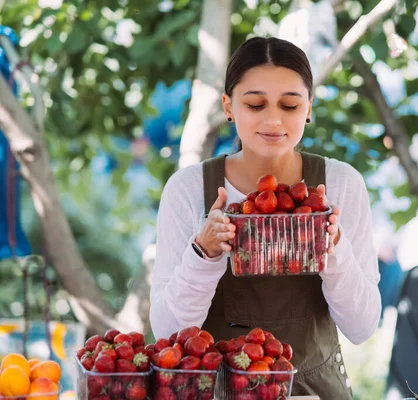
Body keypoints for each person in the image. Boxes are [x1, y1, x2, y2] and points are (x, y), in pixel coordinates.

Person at [149, 36, 381, 398]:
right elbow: (167, 333)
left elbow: (363, 327)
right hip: (218, 391)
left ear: (309, 109)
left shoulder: (341, 184)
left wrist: (334, 250)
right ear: (228, 106)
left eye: (289, 105)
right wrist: (204, 251)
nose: (273, 120)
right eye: (255, 104)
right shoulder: (189, 189)